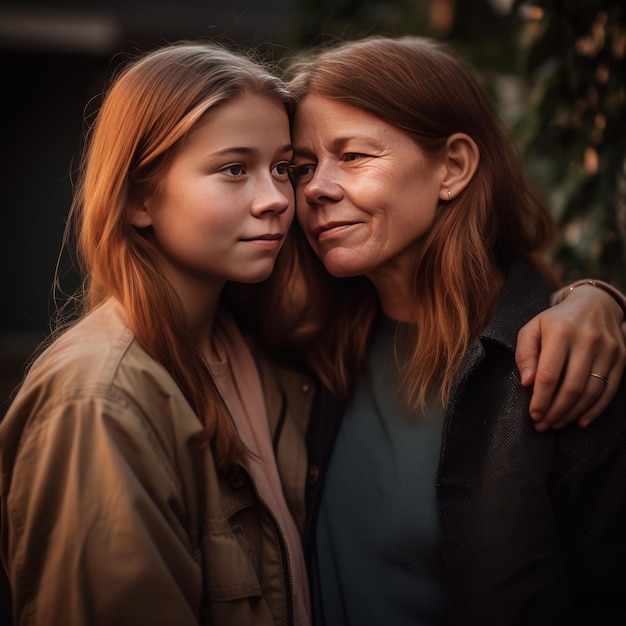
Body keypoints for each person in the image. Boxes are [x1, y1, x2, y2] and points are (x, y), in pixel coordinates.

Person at [248, 36, 626, 625]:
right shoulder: (309, 343)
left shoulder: (563, 367)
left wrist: (597, 300)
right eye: (302, 168)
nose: (315, 189)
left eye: (353, 156)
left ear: (452, 167)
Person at [0, 41, 311, 626]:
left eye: (284, 169)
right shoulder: (98, 399)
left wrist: (543, 306)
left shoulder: (262, 350)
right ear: (140, 197)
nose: (275, 200)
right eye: (233, 169)